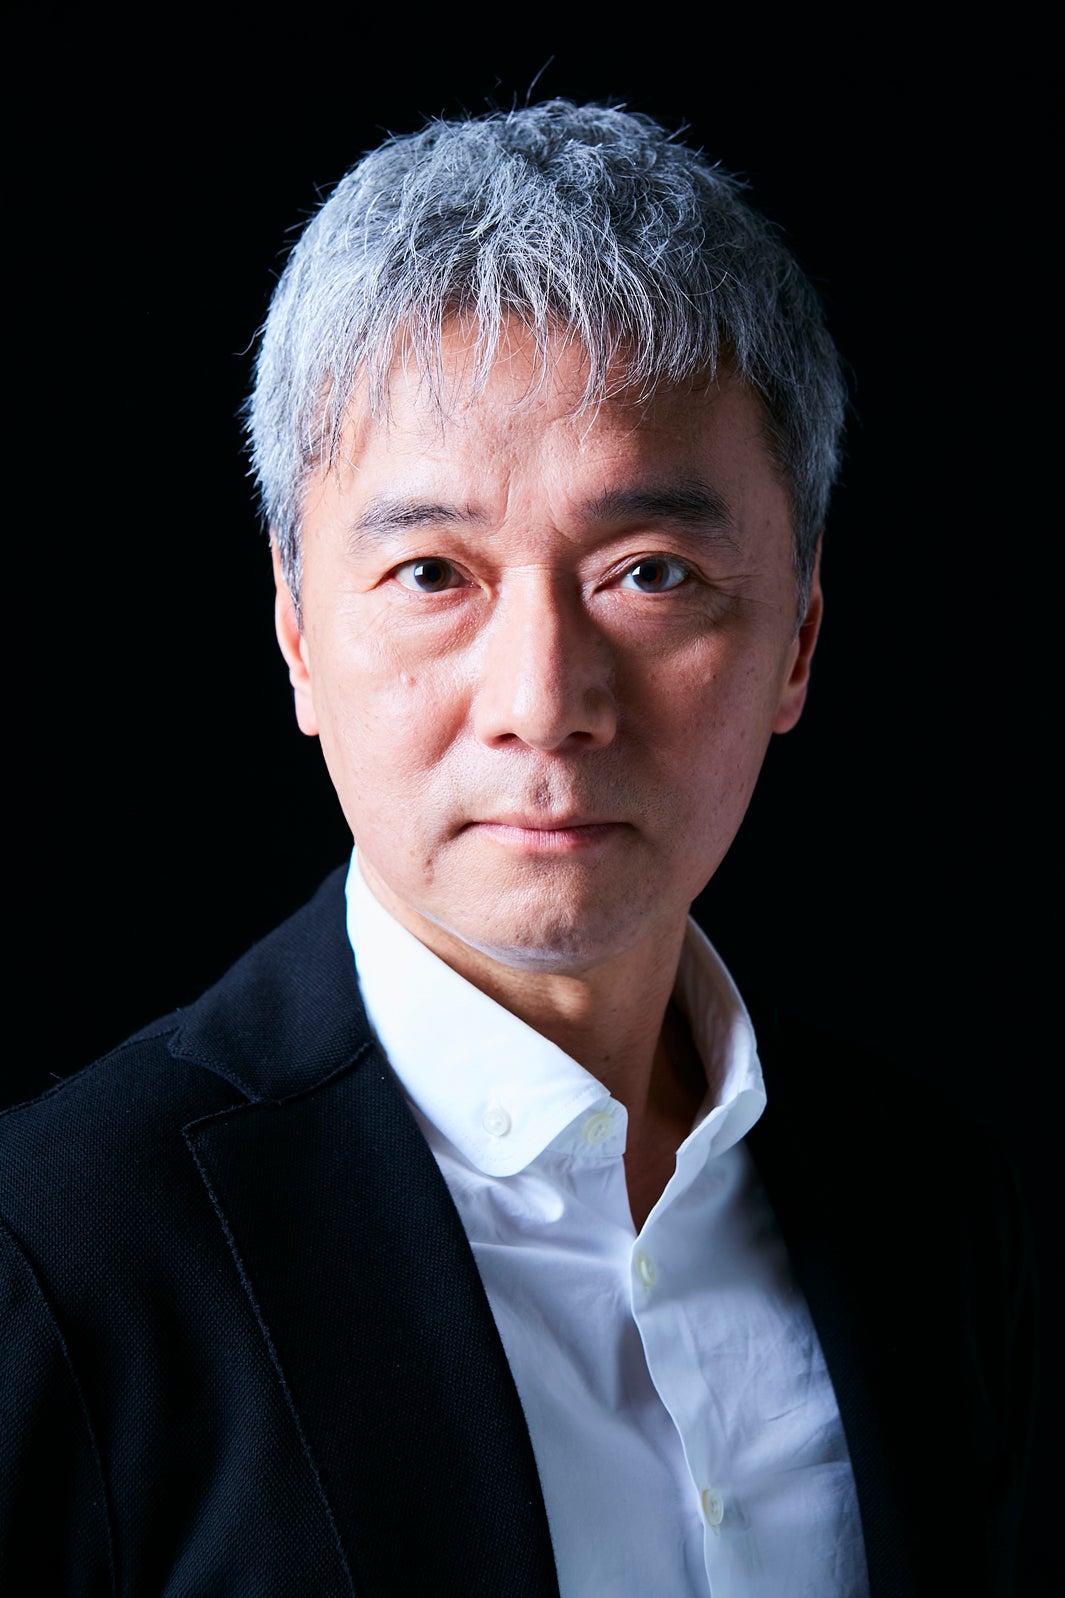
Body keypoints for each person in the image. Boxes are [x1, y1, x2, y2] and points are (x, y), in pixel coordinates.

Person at [1, 101, 1034, 1596]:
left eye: (649, 573)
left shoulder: (932, 1212)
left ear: (799, 636)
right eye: (434, 572)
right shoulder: (58, 1259)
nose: (544, 703)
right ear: (299, 635)